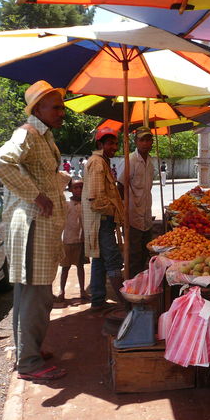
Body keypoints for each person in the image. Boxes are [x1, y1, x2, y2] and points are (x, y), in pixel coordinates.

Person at [0, 80, 70, 381]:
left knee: (29, 295)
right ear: (38, 109)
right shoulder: (27, 133)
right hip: (33, 225)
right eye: (56, 107)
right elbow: (0, 163)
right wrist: (36, 196)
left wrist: (64, 183)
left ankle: (28, 351)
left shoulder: (44, 136)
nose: (61, 113)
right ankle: (29, 363)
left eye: (62, 107)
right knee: (36, 296)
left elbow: (43, 175)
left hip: (40, 226)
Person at [82, 128, 126, 313]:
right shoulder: (97, 162)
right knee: (113, 261)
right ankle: (126, 303)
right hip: (101, 221)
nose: (114, 147)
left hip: (104, 220)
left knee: (99, 260)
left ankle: (98, 300)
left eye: (115, 143)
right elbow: (96, 200)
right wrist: (114, 211)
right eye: (110, 144)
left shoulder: (103, 161)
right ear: (100, 144)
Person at [116, 126, 154, 278]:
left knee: (145, 252)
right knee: (134, 255)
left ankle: (141, 282)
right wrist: (122, 211)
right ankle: (132, 284)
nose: (145, 143)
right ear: (136, 142)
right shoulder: (130, 160)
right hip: (132, 216)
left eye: (148, 140)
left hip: (146, 215)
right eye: (142, 140)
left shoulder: (150, 161)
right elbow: (120, 186)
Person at [55, 180, 89, 304]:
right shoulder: (67, 205)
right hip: (68, 240)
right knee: (65, 267)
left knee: (80, 266)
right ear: (70, 190)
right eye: (75, 187)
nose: (79, 190)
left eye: (81, 187)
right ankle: (62, 291)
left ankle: (82, 291)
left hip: (81, 241)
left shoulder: (86, 204)